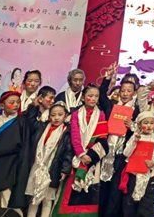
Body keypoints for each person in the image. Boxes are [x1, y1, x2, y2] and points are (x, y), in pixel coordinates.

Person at [54, 84, 109, 215]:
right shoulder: (76, 115)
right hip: (77, 156)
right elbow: (75, 136)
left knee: (89, 190)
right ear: (83, 98)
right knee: (70, 190)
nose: (93, 99)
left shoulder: (101, 115)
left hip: (93, 157)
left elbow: (102, 137)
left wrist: (90, 156)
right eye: (90, 96)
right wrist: (82, 154)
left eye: (96, 96)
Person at [99, 63, 140, 216]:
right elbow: (101, 96)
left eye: (128, 91)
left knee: (116, 190)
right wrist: (107, 79)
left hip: (122, 154)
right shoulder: (112, 104)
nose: (125, 93)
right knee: (102, 187)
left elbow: (141, 130)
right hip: (106, 151)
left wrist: (132, 126)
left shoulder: (136, 110)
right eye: (122, 90)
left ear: (134, 93)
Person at [25, 102, 72, 217]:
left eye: (60, 114)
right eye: (53, 115)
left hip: (53, 167)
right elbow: (31, 121)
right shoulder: (42, 127)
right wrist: (34, 107)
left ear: (65, 116)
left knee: (47, 199)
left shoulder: (67, 132)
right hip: (37, 165)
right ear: (49, 116)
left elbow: (68, 153)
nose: (56, 118)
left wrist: (65, 169)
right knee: (34, 197)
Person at [122, 111, 154, 217]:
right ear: (139, 125)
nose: (149, 126)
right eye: (146, 123)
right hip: (134, 174)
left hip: (149, 175)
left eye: (152, 123)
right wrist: (134, 142)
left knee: (146, 204)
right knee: (130, 202)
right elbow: (126, 153)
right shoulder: (135, 137)